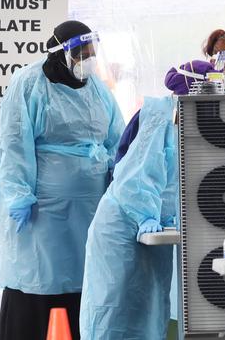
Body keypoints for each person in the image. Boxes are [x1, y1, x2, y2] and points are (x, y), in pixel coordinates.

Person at [0, 20, 125, 340]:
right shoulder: (29, 83)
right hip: (44, 211)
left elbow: (117, 138)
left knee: (84, 278)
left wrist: (118, 182)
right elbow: (13, 145)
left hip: (90, 208)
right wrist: (18, 195)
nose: (88, 59)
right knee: (44, 276)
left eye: (92, 53)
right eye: (82, 53)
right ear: (61, 53)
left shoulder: (95, 87)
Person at [80, 96, 178, 340]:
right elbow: (134, 179)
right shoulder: (162, 118)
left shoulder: (189, 124)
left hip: (151, 227)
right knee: (113, 311)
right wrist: (146, 214)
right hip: (122, 226)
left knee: (149, 312)